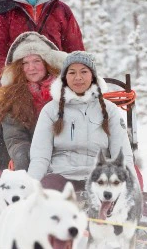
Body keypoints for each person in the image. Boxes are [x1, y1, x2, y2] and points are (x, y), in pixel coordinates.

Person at [28, 51, 135, 192]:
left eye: (84, 72)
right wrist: (29, 189)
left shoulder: (110, 110)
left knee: (124, 200)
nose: (78, 77)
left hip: (100, 178)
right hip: (60, 175)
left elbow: (122, 155)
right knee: (45, 195)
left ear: (93, 76)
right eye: (72, 73)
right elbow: (40, 156)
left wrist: (133, 191)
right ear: (65, 77)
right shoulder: (50, 110)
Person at [0, 32, 66, 171]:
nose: (31, 68)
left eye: (37, 61)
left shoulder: (67, 90)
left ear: (47, 63)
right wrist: (22, 156)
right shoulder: (12, 97)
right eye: (25, 63)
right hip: (33, 160)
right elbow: (15, 137)